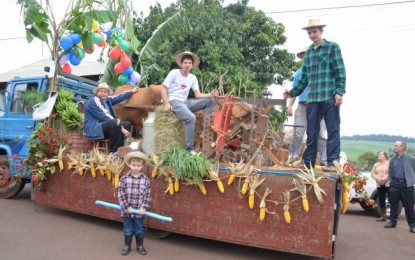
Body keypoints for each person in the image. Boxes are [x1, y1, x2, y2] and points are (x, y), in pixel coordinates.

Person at [283, 19, 346, 172]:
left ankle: (332, 162)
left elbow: (340, 71)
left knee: (332, 130)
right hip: (313, 99)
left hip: (329, 96)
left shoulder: (332, 47)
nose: (312, 35)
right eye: (310, 32)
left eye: (315, 32)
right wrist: (292, 92)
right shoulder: (309, 53)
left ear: (321, 31)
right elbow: (304, 79)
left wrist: (339, 92)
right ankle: (308, 163)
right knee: (312, 132)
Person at [161, 51, 218, 153]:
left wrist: (210, 94)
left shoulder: (193, 77)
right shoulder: (174, 73)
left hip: (185, 102)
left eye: (189, 63)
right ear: (181, 64)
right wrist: (166, 103)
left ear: (192, 65)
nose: (187, 65)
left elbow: (198, 95)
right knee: (191, 118)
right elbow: (163, 88)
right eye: (185, 62)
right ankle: (189, 149)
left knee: (209, 102)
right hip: (174, 100)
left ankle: (204, 130)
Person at [287, 47, 327, 166]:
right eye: (304, 56)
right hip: (303, 106)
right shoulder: (299, 73)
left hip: (319, 106)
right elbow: (294, 90)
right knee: (298, 132)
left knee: (320, 134)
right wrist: (290, 106)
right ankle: (292, 157)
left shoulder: (321, 71)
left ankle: (324, 160)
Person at [84, 82, 140, 153]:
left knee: (127, 124)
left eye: (105, 92)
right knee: (115, 122)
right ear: (97, 93)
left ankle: (120, 148)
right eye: (101, 91)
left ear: (108, 93)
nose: (103, 93)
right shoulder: (93, 101)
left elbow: (118, 97)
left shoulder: (107, 100)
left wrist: (131, 92)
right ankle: (113, 151)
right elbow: (105, 115)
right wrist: (121, 128)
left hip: (104, 128)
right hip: (95, 129)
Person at [118, 151, 151, 255]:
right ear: (129, 165)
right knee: (128, 229)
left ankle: (140, 246)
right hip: (127, 211)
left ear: (142, 166)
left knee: (139, 230)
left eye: (138, 166)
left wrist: (144, 208)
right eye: (133, 165)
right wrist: (126, 207)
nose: (135, 167)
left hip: (139, 212)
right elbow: (120, 194)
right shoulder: (124, 178)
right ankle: (127, 246)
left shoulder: (145, 180)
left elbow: (147, 195)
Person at [384, 141, 415, 233]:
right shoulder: (393, 159)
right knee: (393, 204)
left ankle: (413, 225)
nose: (395, 147)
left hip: (407, 185)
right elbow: (390, 172)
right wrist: (389, 180)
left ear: (402, 147)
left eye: (397, 145)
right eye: (395, 145)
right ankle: (392, 222)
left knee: (409, 206)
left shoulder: (411, 158)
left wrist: (411, 180)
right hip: (395, 184)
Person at [370, 151, 390, 221]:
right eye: (378, 154)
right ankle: (383, 216)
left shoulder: (389, 163)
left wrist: (385, 179)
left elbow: (392, 173)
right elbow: (372, 174)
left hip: (389, 184)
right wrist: (378, 179)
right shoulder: (376, 164)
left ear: (385, 156)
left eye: (380, 154)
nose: (378, 155)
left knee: (392, 199)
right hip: (379, 184)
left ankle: (393, 216)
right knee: (381, 199)